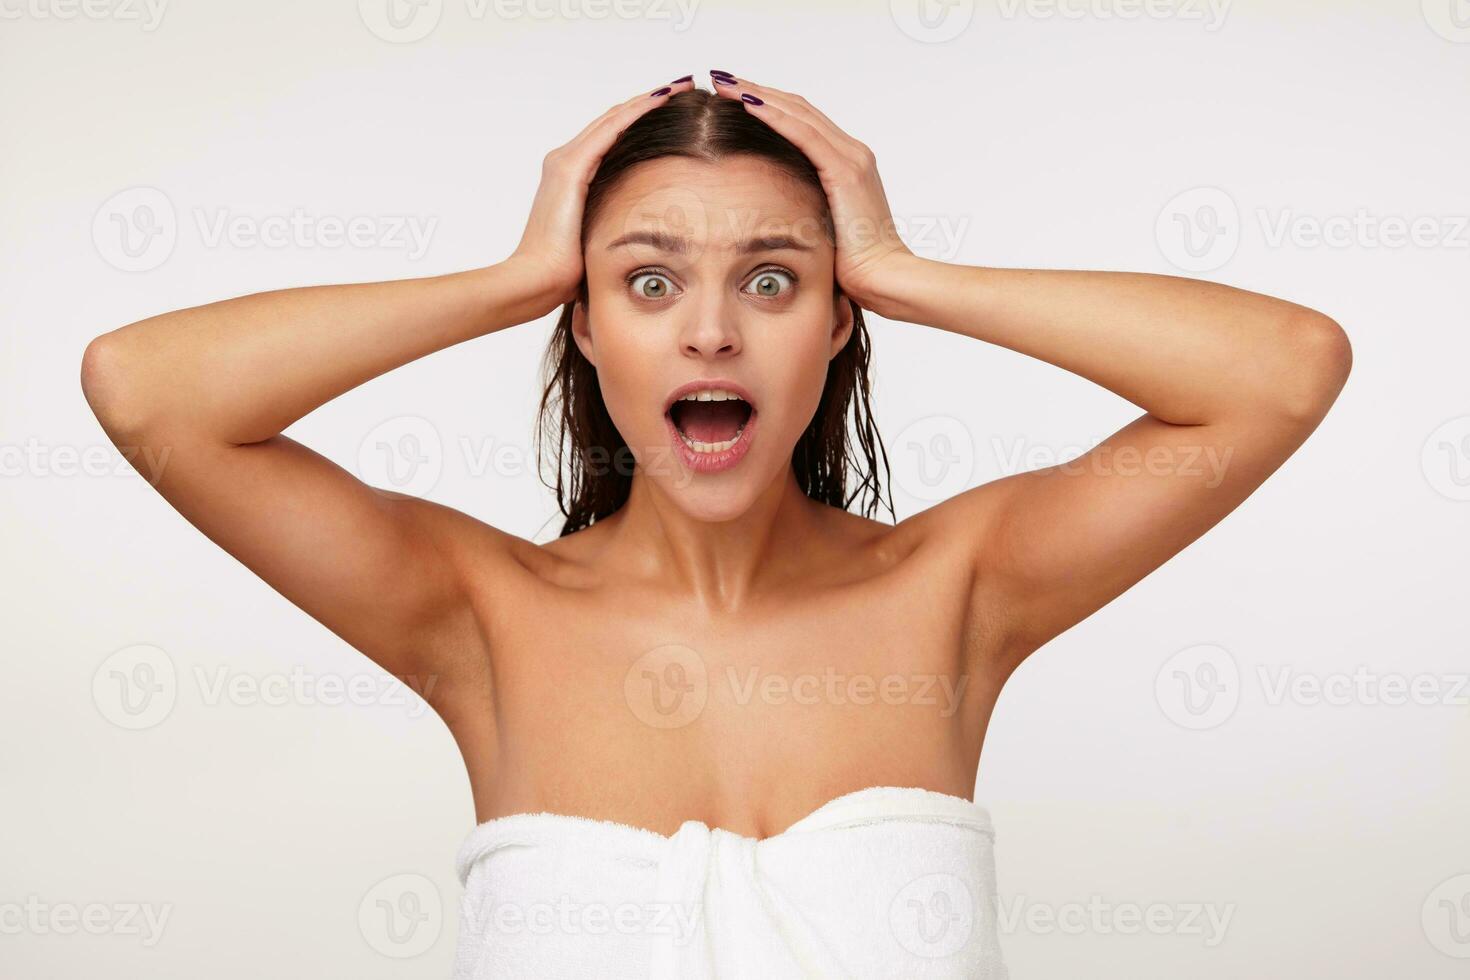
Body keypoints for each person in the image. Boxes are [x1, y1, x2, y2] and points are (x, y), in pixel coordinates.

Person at [80, 73, 1352, 978]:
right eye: (645, 280)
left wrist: (906, 270)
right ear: (585, 324)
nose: (709, 330)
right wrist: (512, 277)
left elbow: (1284, 367)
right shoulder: (475, 610)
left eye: (772, 278)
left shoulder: (957, 588)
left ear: (838, 316)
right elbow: (147, 391)